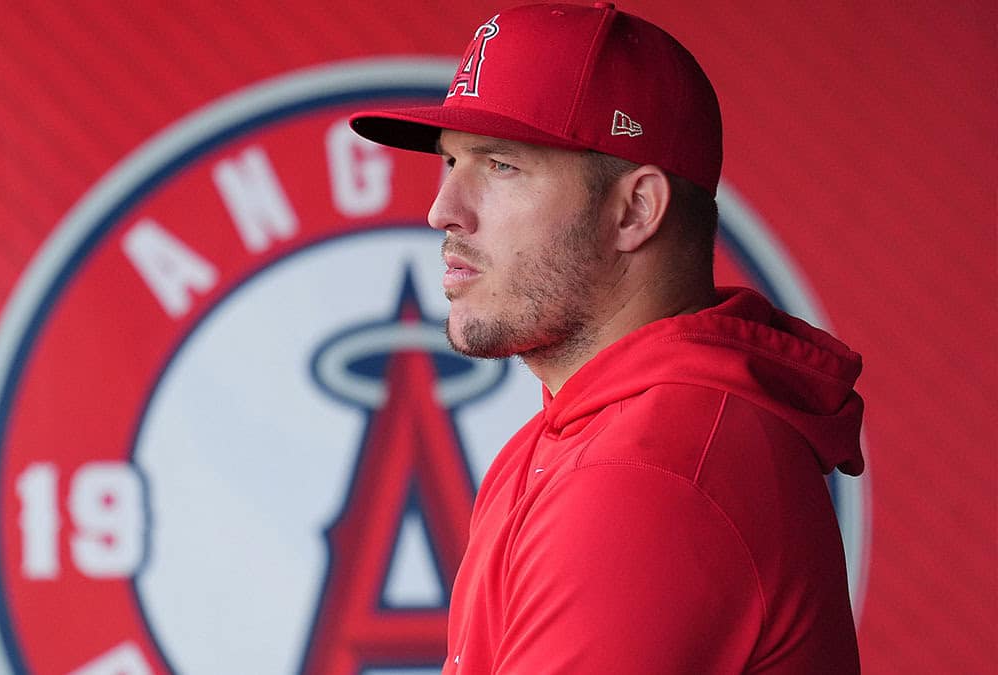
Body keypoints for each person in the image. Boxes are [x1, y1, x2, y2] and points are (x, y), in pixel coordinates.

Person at [349, 2, 865, 673]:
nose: (443, 209)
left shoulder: (653, 474)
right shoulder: (568, 442)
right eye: (451, 163)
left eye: (499, 165)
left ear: (635, 209)